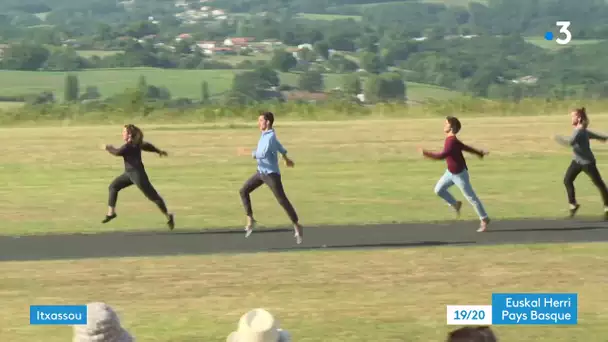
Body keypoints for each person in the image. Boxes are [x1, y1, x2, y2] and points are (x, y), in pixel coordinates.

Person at [238, 111, 303, 244]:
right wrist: (286, 158)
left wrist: (246, 152)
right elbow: (280, 147)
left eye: (260, 120)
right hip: (260, 172)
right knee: (243, 191)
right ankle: (250, 219)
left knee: (282, 200)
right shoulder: (265, 135)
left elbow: (261, 154)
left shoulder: (270, 137)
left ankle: (297, 225)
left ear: (267, 122)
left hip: (271, 175)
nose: (258, 123)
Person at [418, 116, 491, 232]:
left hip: (459, 175)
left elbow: (442, 156)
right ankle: (455, 204)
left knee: (471, 198)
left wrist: (426, 154)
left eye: (446, 124)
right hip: (450, 173)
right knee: (438, 190)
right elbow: (466, 148)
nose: (444, 125)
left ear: (451, 127)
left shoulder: (451, 142)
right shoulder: (452, 140)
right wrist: (479, 153)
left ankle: (484, 219)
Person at [101, 124, 175, 230]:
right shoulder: (136, 144)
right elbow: (147, 146)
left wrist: (108, 148)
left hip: (137, 175)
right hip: (128, 174)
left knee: (153, 197)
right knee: (113, 186)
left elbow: (117, 153)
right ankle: (111, 213)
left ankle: (168, 216)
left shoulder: (128, 146)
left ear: (129, 134)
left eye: (124, 132)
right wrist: (158, 151)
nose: (122, 134)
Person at [554, 107, 608, 219]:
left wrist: (557, 138)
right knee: (567, 180)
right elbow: (593, 135)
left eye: (573, 116)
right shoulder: (582, 130)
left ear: (578, 118)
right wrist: (603, 138)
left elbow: (570, 142)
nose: (571, 118)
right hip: (577, 162)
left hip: (588, 163)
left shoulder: (579, 131)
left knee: (599, 184)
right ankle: (573, 205)